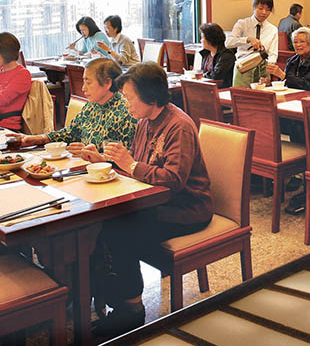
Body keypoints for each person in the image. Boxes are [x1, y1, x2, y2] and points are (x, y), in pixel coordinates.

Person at [82, 62, 213, 339]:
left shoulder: (179, 127)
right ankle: (114, 297)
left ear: (151, 97)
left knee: (120, 230)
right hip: (155, 203)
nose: (126, 103)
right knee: (100, 226)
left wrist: (129, 165)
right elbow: (138, 165)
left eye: (129, 97)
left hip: (186, 208)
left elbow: (173, 180)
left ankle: (132, 310)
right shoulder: (144, 121)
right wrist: (107, 161)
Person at [8, 58, 136, 149]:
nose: (83, 88)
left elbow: (127, 157)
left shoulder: (126, 112)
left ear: (107, 83)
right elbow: (71, 132)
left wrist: (95, 156)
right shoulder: (92, 105)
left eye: (88, 82)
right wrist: (37, 139)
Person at [226, 0, 278, 88]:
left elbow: (273, 54)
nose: (264, 12)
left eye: (268, 10)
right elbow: (228, 43)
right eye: (260, 8)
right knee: (240, 99)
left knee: (261, 101)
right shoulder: (242, 24)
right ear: (253, 7)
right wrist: (247, 39)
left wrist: (268, 69)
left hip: (263, 70)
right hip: (243, 68)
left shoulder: (273, 29)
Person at [267, 26, 310, 92]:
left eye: (302, 41)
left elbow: (308, 85)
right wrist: (269, 83)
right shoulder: (292, 61)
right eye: (295, 42)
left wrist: (283, 76)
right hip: (291, 95)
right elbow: (285, 82)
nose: (298, 45)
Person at [197, 22, 236, 87]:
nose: (201, 40)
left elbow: (216, 76)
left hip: (221, 89)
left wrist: (201, 76)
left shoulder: (227, 56)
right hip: (207, 86)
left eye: (202, 38)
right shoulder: (206, 53)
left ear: (210, 39)